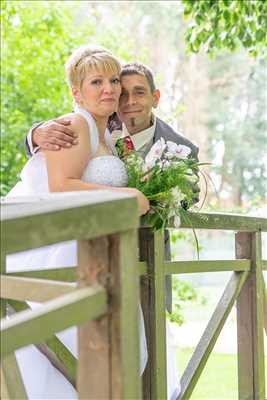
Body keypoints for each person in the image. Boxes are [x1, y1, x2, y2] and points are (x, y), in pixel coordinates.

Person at [6, 46, 181, 400]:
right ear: (75, 92)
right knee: (72, 351)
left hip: (101, 254)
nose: (109, 89)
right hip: (61, 256)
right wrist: (129, 196)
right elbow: (60, 187)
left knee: (108, 355)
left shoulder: (107, 134)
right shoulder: (75, 124)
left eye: (113, 80)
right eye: (96, 82)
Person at [26, 62, 200, 314]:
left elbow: (186, 200)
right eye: (123, 92)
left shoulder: (182, 148)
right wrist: (34, 134)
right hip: (91, 253)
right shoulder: (99, 122)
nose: (129, 101)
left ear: (156, 97)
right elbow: (61, 146)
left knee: (148, 340)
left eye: (139, 92)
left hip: (147, 257)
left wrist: (153, 199)